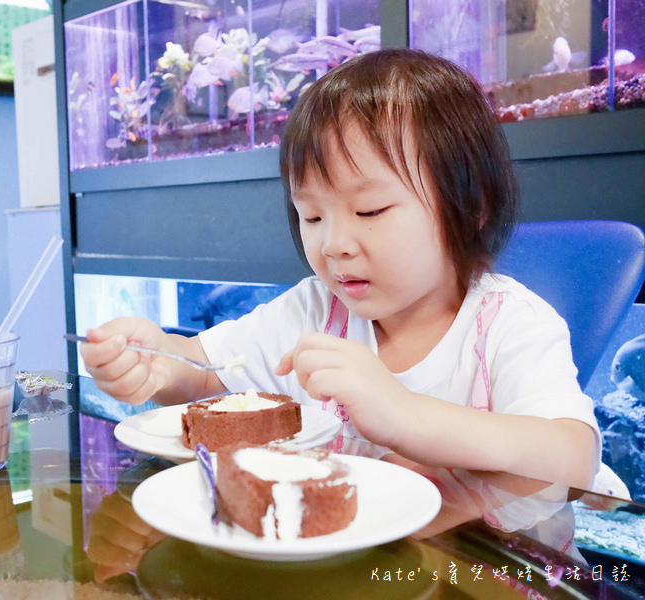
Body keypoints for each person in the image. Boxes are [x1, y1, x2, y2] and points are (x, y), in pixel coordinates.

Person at [80, 49, 600, 491]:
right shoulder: (315, 310)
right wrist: (156, 362)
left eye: (370, 211)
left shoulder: (506, 324)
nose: (333, 244)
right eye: (311, 215)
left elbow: (574, 456)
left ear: (472, 205)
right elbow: (206, 370)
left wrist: (406, 414)